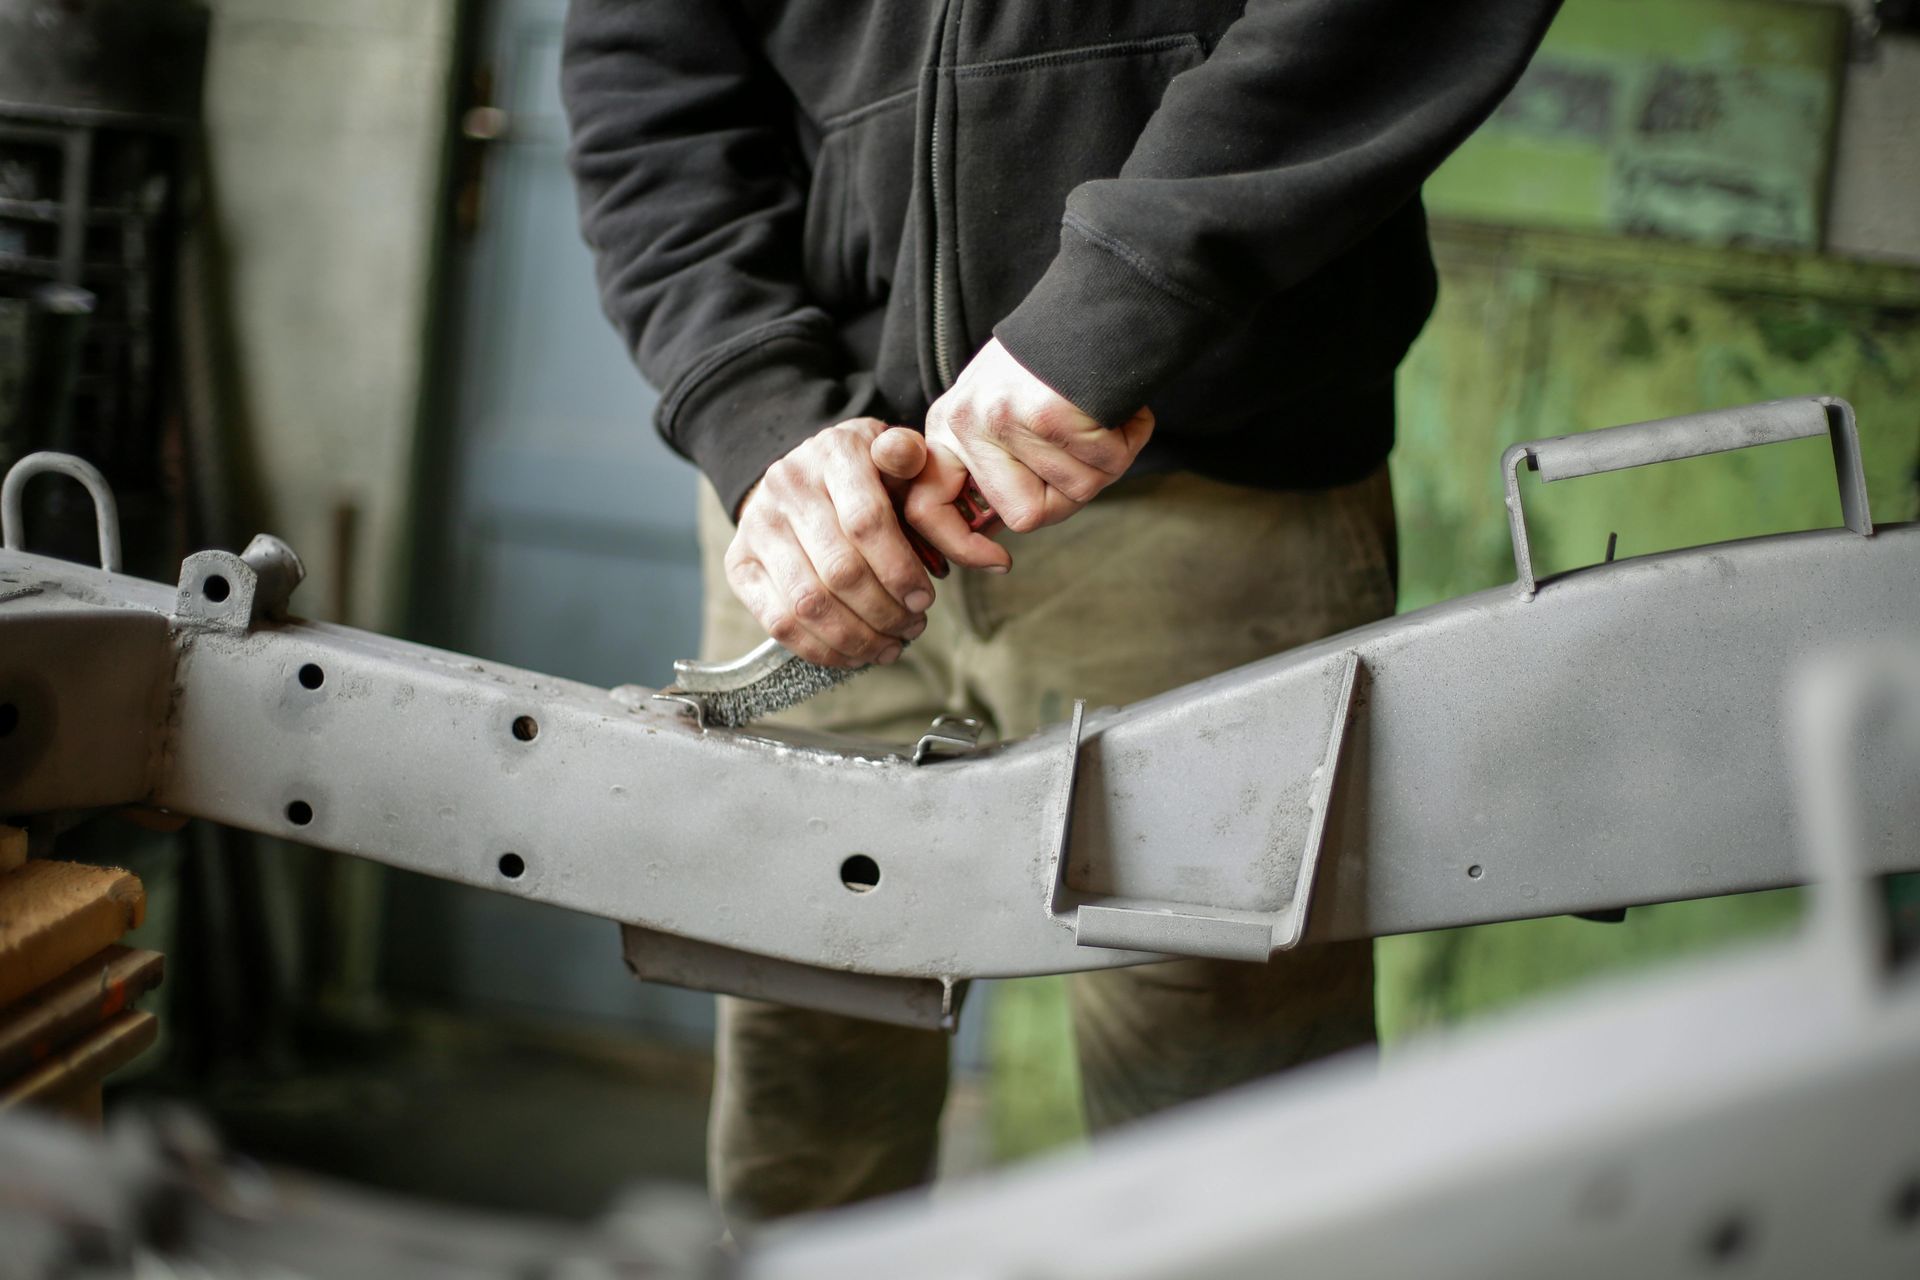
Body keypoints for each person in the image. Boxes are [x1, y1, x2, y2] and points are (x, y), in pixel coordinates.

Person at [563, 0, 1559, 1227]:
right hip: (819, 507)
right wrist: (757, 410)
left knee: (1232, 1121)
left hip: (1213, 485)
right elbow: (648, 77)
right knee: (803, 1081)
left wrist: (1119, 300)